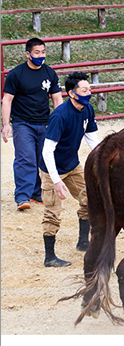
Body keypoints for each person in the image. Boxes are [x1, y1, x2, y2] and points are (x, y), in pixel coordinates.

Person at [39, 72, 100, 267]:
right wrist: (56, 181)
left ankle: (83, 242)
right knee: (52, 212)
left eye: (89, 89)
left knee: (89, 199)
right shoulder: (60, 115)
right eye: (85, 90)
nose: (89, 92)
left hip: (72, 165)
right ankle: (50, 257)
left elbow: (92, 138)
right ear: (72, 94)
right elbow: (47, 151)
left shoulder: (87, 109)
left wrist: (102, 157)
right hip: (51, 169)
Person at [2, 37, 63, 211]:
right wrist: (6, 125)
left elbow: (57, 98)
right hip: (22, 123)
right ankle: (22, 196)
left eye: (43, 52)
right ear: (28, 54)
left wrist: (59, 122)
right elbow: (7, 100)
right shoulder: (16, 74)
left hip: (44, 123)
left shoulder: (50, 73)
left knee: (42, 158)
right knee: (25, 158)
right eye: (37, 52)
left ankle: (37, 192)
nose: (41, 55)